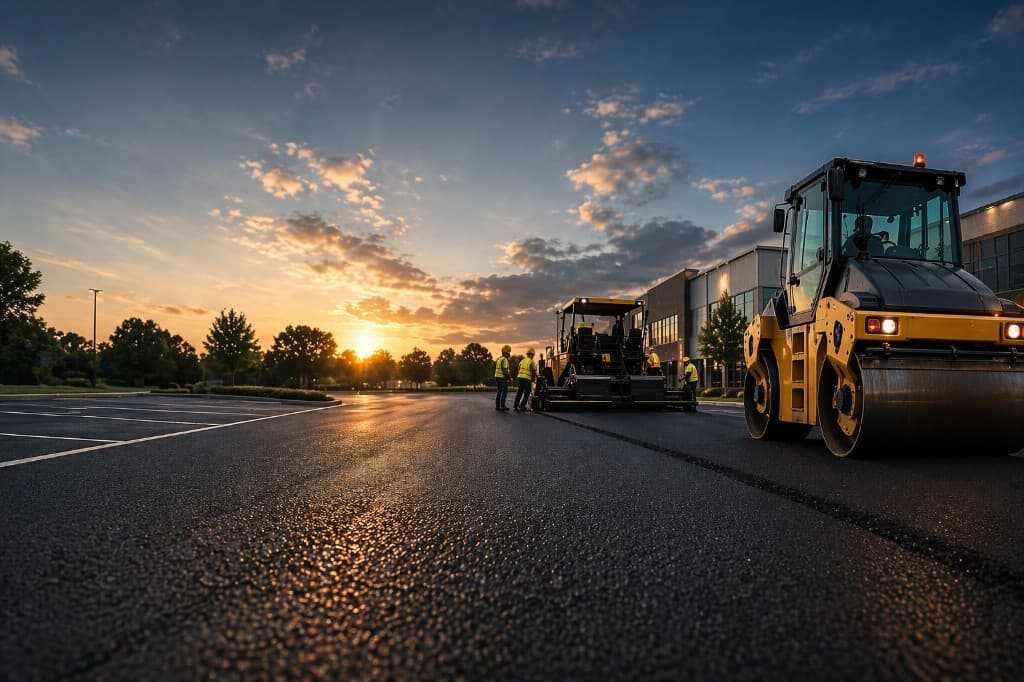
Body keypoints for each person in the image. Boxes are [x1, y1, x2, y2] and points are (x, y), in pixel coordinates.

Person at [494, 345, 511, 411]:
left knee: (499, 392)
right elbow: (505, 370)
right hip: (501, 378)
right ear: (506, 353)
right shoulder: (505, 360)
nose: (509, 354)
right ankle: (502, 406)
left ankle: (497, 406)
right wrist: (509, 378)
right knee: (504, 391)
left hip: (497, 377)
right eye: (509, 353)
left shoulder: (499, 359)